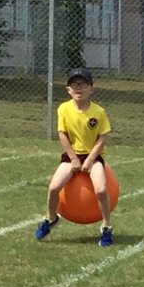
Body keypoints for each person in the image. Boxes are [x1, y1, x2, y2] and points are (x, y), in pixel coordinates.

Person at [37, 67, 114, 246]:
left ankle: (106, 227)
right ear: (68, 90)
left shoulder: (99, 112)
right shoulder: (63, 109)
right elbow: (62, 135)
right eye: (74, 84)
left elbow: (102, 138)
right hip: (71, 155)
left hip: (93, 157)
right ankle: (50, 218)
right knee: (54, 188)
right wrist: (73, 158)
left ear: (91, 88)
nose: (79, 88)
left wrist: (89, 160)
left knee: (101, 190)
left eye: (83, 84)